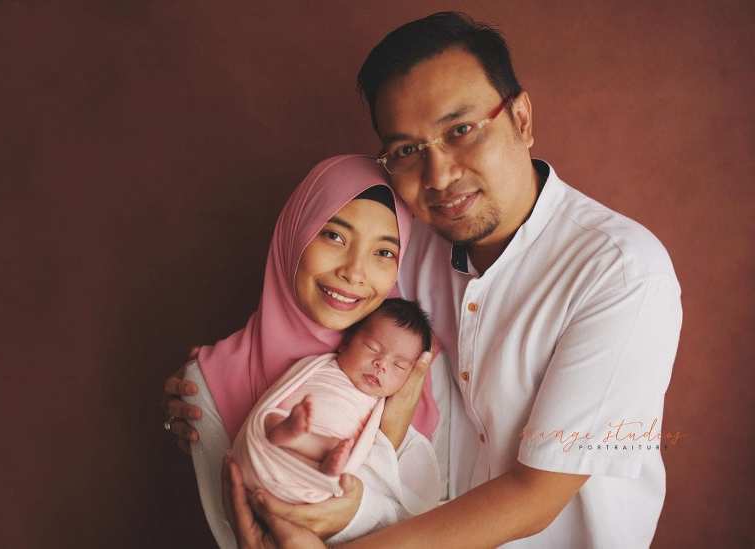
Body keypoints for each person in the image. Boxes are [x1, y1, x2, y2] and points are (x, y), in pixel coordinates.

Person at [221, 11, 683, 549]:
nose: (438, 176)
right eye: (408, 151)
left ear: (522, 119)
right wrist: (212, 389)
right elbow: (323, 350)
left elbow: (535, 496)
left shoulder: (618, 270)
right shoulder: (405, 250)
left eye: (460, 131)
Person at [168, 155, 441, 548]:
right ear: (294, 232)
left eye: (384, 252)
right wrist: (365, 506)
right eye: (334, 236)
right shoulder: (206, 382)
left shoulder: (412, 368)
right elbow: (237, 534)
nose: (354, 271)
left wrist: (385, 448)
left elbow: (444, 519)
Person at [235, 298, 434, 502]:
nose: (381, 364)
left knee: (340, 451)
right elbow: (276, 392)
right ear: (346, 342)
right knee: (269, 419)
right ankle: (294, 436)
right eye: (372, 348)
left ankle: (310, 450)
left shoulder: (381, 411)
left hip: (308, 475)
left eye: (398, 366)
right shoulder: (319, 367)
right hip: (267, 447)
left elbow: (375, 460)